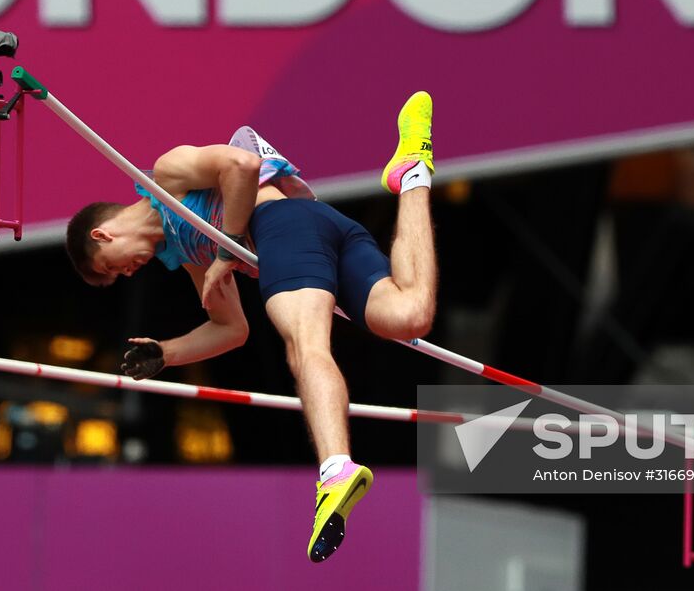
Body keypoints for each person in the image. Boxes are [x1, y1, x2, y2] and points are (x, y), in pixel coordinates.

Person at [64, 92, 438, 563]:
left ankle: (335, 468)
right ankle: (413, 174)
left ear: (103, 235)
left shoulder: (166, 176)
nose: (128, 273)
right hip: (319, 224)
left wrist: (225, 256)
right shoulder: (188, 251)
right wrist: (166, 352)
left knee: (306, 346)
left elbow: (239, 166)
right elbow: (231, 328)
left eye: (113, 268)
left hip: (280, 223)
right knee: (409, 316)